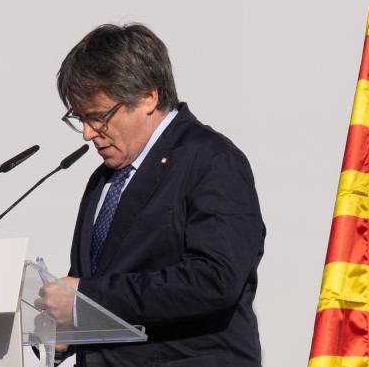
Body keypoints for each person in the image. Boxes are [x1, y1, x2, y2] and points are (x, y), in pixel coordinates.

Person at [39, 24, 265, 366]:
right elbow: (100, 288)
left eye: (98, 117)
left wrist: (84, 299)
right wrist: (63, 334)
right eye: (80, 118)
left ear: (148, 97)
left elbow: (214, 279)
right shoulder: (104, 179)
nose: (87, 133)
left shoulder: (211, 160)